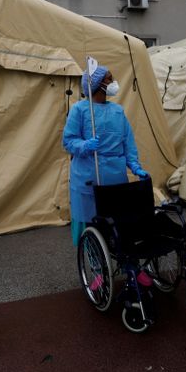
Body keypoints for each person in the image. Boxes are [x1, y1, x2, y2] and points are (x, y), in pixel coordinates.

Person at [62, 65, 149, 247]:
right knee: (91, 224)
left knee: (122, 225)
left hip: (116, 178)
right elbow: (68, 141)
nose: (113, 82)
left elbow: (128, 143)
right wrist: (84, 145)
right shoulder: (79, 110)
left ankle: (130, 267)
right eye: (109, 79)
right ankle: (96, 270)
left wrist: (134, 166)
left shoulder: (117, 111)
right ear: (96, 84)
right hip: (88, 177)